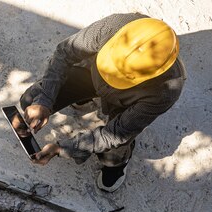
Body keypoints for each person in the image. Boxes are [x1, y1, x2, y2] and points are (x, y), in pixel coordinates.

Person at [21, 13, 186, 192]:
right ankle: (84, 97)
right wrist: (44, 100)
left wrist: (64, 148)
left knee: (113, 151)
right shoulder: (113, 26)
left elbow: (115, 133)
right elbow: (64, 53)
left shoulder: (166, 90)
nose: (112, 79)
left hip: (125, 105)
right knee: (30, 101)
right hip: (92, 74)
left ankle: (118, 162)